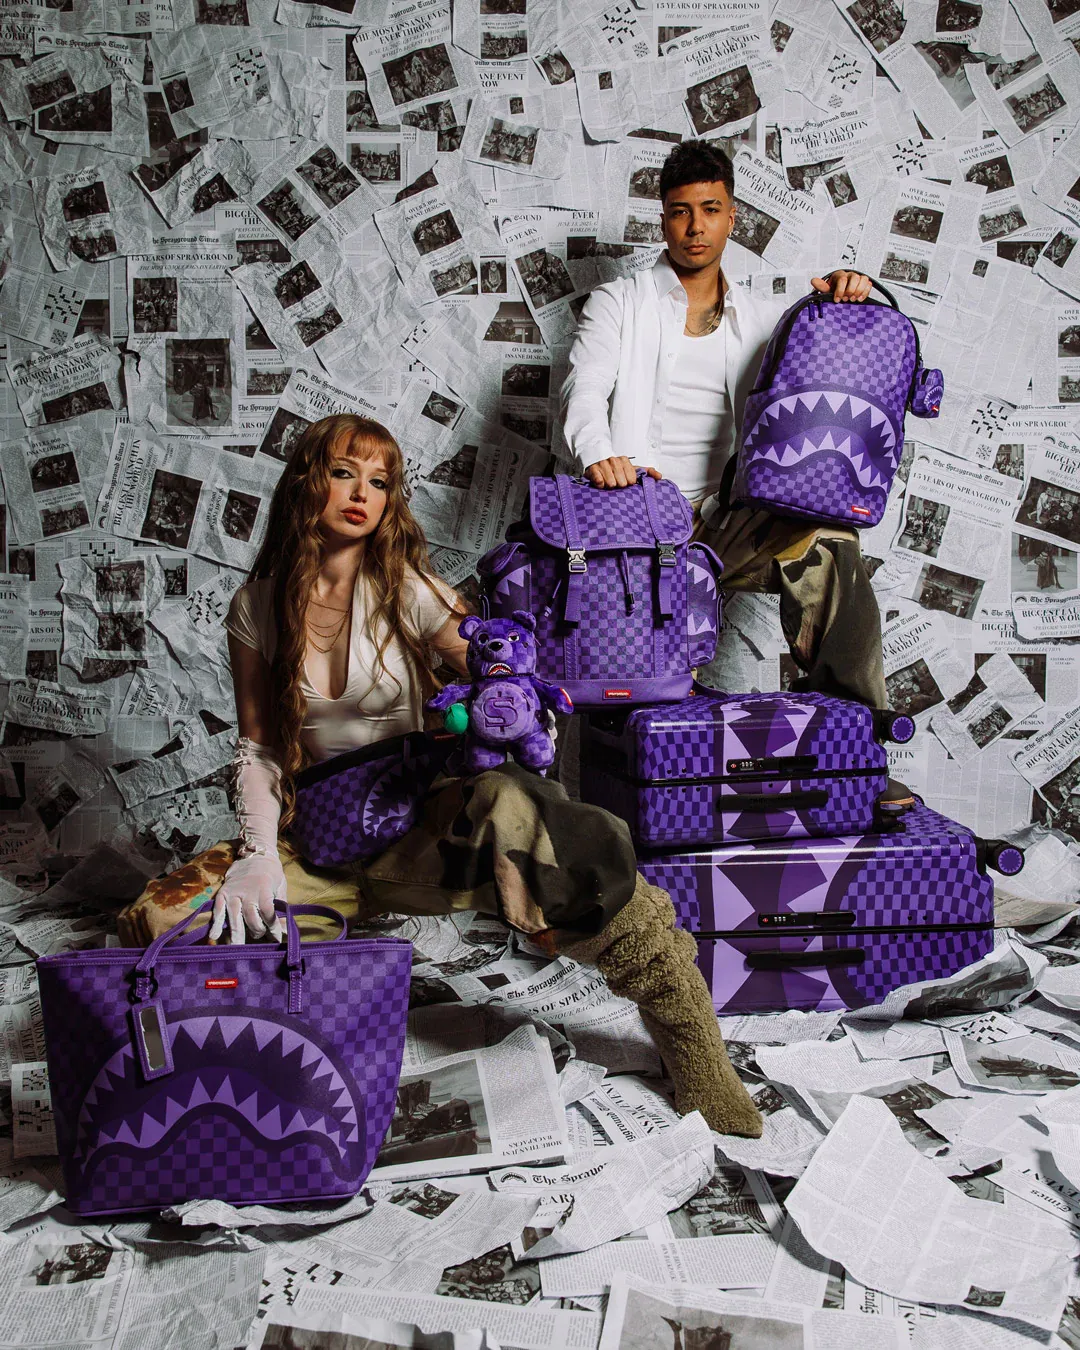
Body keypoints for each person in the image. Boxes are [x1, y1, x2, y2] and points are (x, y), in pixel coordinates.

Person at [119, 414, 762, 1139]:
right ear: (305, 481)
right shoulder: (256, 607)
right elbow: (261, 748)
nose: (361, 494)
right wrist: (259, 856)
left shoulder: (405, 587)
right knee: (163, 922)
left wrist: (512, 683)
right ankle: (249, 1080)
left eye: (379, 481)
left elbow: (500, 665)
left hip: (423, 823)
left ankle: (695, 1050)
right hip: (320, 837)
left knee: (529, 810)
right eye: (343, 473)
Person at [560, 139, 912, 807]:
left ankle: (857, 747)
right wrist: (599, 455)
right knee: (621, 702)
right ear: (663, 219)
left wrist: (846, 297)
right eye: (680, 211)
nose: (695, 227)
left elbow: (820, 364)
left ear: (732, 217)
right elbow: (582, 393)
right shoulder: (619, 302)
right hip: (637, 522)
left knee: (832, 545)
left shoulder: (762, 319)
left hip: (727, 521)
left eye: (710, 210)